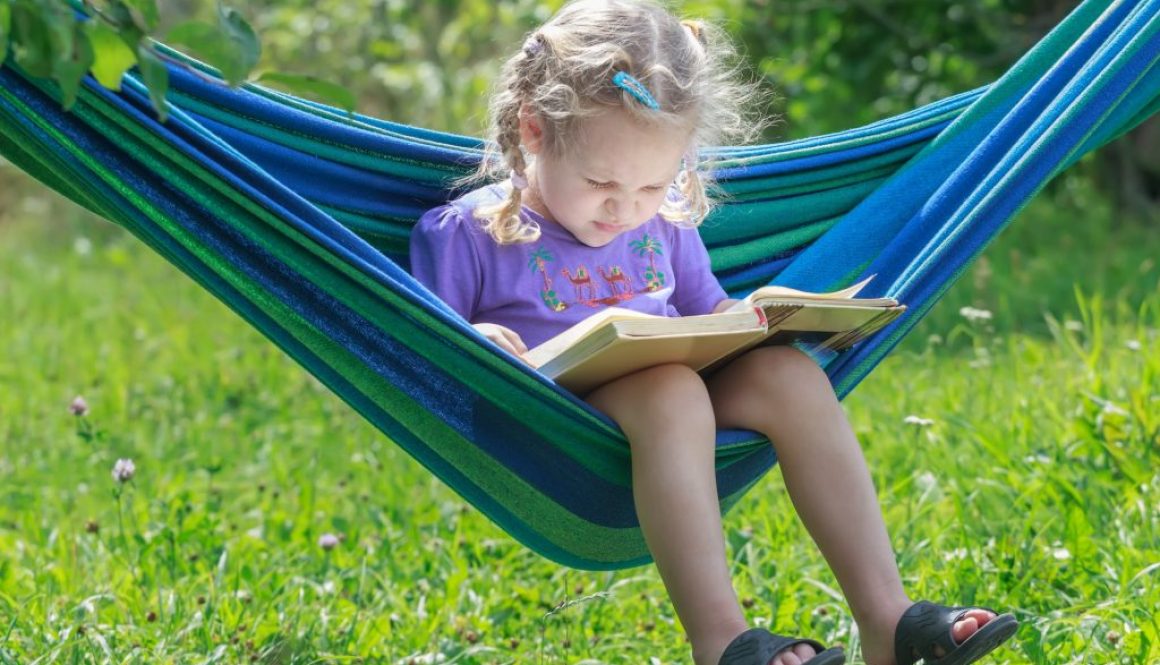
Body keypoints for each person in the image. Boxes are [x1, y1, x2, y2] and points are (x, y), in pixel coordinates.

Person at [409, 1, 1019, 663]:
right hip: (563, 426)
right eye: (602, 182)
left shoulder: (662, 223)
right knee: (671, 387)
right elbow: (425, 357)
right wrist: (482, 346)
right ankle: (723, 641)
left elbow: (706, 313)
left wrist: (767, 319)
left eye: (652, 184)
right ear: (533, 131)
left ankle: (888, 619)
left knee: (789, 376)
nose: (626, 208)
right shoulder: (470, 233)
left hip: (681, 406)